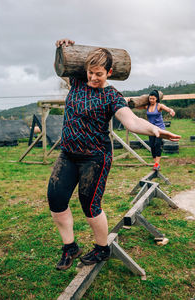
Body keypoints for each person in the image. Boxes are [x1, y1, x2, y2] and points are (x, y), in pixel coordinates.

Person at [47, 39, 180, 271]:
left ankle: (102, 249)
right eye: (90, 72)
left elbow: (131, 121)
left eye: (98, 74)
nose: (92, 78)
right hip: (68, 154)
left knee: (90, 205)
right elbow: (63, 66)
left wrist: (154, 129)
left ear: (109, 72)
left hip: (95, 158)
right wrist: (64, 47)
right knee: (56, 201)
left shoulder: (111, 96)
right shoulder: (77, 82)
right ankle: (70, 247)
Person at [139, 90, 175, 170]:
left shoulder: (159, 106)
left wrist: (171, 111)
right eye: (150, 98)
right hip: (151, 129)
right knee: (152, 146)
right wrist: (130, 103)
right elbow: (137, 106)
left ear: (157, 99)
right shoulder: (147, 106)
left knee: (157, 145)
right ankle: (156, 164)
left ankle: (157, 164)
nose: (151, 100)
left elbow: (167, 109)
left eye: (153, 99)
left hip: (159, 129)